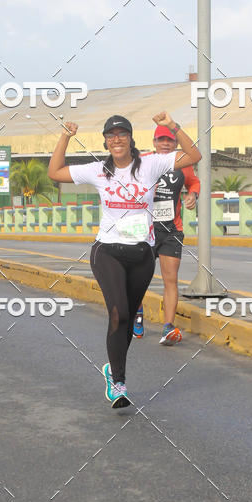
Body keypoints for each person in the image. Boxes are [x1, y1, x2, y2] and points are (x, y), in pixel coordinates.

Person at [48, 111, 201, 408]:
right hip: (107, 250)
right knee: (117, 313)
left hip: (142, 253)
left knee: (129, 320)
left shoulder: (151, 164)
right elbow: (55, 172)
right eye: (111, 135)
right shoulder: (98, 170)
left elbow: (194, 154)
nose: (117, 139)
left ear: (131, 140)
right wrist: (65, 136)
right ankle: (118, 381)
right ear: (106, 142)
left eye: (122, 134)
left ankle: (113, 369)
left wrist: (172, 126)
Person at [133, 124, 200, 344]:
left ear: (176, 143)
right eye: (161, 140)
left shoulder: (182, 162)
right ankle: (138, 315)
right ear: (154, 143)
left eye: (169, 140)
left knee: (171, 280)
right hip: (145, 228)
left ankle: (168, 327)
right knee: (139, 278)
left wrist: (193, 195)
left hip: (172, 229)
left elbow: (194, 183)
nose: (165, 144)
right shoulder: (142, 161)